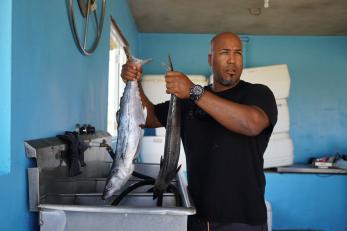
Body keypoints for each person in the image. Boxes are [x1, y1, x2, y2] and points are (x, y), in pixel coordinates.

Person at [121, 32, 277, 231]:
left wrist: (194, 91)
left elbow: (251, 123)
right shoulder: (188, 103)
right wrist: (133, 82)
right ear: (210, 59)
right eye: (224, 52)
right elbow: (147, 117)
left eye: (238, 53)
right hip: (197, 218)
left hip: (243, 219)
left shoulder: (257, 93)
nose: (232, 59)